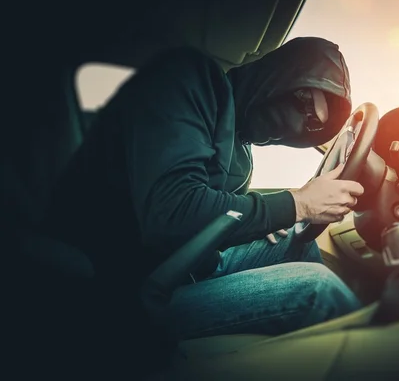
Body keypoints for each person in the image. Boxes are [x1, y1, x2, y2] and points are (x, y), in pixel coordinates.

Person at [43, 37, 364, 340]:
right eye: (306, 103)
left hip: (188, 265)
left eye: (313, 124)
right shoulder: (186, 80)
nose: (303, 124)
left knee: (297, 246)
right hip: (128, 284)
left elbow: (219, 213)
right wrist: (295, 204)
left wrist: (261, 222)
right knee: (317, 289)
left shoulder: (240, 148)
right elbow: (172, 213)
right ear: (284, 74)